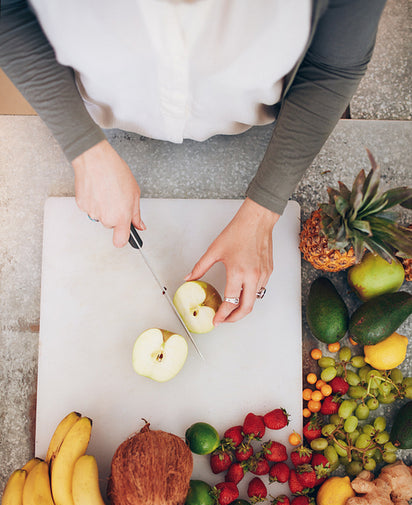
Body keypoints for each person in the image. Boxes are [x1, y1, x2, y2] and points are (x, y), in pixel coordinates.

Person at [0, 0, 387, 325]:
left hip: (261, 139)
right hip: (96, 122)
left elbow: (333, 65)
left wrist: (265, 209)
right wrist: (84, 147)